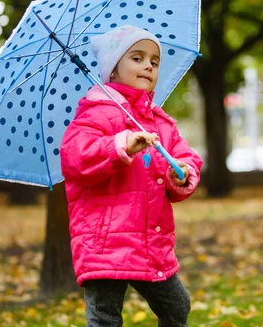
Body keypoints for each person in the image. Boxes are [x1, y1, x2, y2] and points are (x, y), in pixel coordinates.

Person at [60, 24, 203, 327]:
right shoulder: (96, 112)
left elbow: (185, 157)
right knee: (105, 318)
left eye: (154, 61)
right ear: (113, 69)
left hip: (150, 241)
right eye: (137, 58)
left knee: (178, 307)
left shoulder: (160, 121)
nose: (148, 66)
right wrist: (119, 144)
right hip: (104, 242)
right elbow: (76, 157)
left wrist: (181, 172)